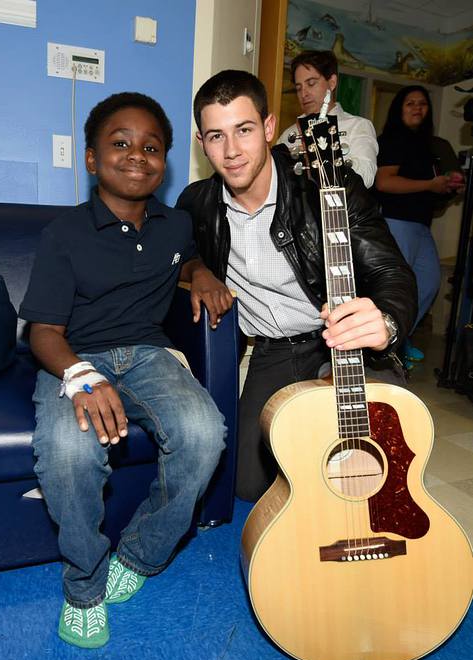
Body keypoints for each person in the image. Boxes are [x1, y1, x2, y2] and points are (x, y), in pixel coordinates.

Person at [19, 92, 233, 649]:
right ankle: (84, 587)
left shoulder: (175, 224)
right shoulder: (63, 234)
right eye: (120, 143)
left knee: (204, 432)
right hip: (73, 357)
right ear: (91, 158)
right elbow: (41, 331)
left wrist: (201, 269)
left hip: (147, 354)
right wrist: (81, 377)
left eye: (152, 146)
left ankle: (140, 554)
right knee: (69, 451)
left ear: (164, 163)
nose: (137, 154)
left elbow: (182, 256)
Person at [176, 69, 416, 506]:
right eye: (216, 136)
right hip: (276, 351)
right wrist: (199, 271)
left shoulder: (328, 187)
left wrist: (386, 321)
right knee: (247, 483)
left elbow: (392, 272)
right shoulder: (198, 204)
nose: (231, 151)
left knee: (381, 453)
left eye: (244, 130)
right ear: (201, 141)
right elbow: (177, 252)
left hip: (345, 343)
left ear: (269, 128)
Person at [375, 85, 465, 365]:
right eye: (410, 103)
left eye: (422, 104)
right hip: (394, 222)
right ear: (399, 108)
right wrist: (430, 184)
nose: (417, 108)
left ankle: (398, 339)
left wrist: (450, 185)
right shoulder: (391, 140)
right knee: (396, 288)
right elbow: (384, 182)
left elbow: (434, 188)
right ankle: (386, 348)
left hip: (421, 224)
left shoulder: (431, 145)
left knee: (428, 283)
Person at [277, 50, 378, 188]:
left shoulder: (358, 126)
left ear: (332, 82)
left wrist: (327, 160)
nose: (304, 94)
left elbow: (367, 176)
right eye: (299, 88)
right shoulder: (289, 135)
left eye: (311, 83)